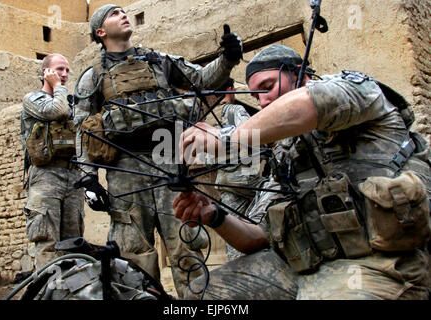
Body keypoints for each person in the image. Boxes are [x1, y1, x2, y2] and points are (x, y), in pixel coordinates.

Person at [174, 44, 431, 299]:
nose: (263, 101)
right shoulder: (285, 153)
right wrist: (215, 215)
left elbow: (311, 103)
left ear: (300, 74)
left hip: (382, 267)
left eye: (268, 87)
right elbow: (258, 236)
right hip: (307, 268)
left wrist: (228, 137)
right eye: (256, 96)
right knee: (203, 294)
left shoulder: (358, 91)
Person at [73, 4, 243, 298]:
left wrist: (227, 58)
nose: (123, 14)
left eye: (124, 11)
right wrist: (89, 179)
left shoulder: (158, 60)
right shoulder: (93, 76)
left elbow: (202, 79)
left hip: (169, 159)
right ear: (100, 32)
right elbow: (84, 127)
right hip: (125, 168)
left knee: (185, 242)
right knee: (133, 251)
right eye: (114, 14)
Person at [20, 53, 85, 270]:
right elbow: (56, 110)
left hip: (73, 175)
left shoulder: (71, 103)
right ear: (45, 72)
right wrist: (57, 86)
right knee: (47, 242)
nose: (64, 74)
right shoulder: (33, 99)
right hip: (46, 175)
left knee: (73, 243)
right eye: (59, 69)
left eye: (67, 70)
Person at [205, 77, 266, 261]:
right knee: (262, 223)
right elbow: (253, 135)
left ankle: (237, 264)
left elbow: (206, 158)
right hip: (248, 179)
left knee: (235, 229)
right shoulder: (236, 110)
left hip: (224, 180)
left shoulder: (207, 118)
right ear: (230, 89)